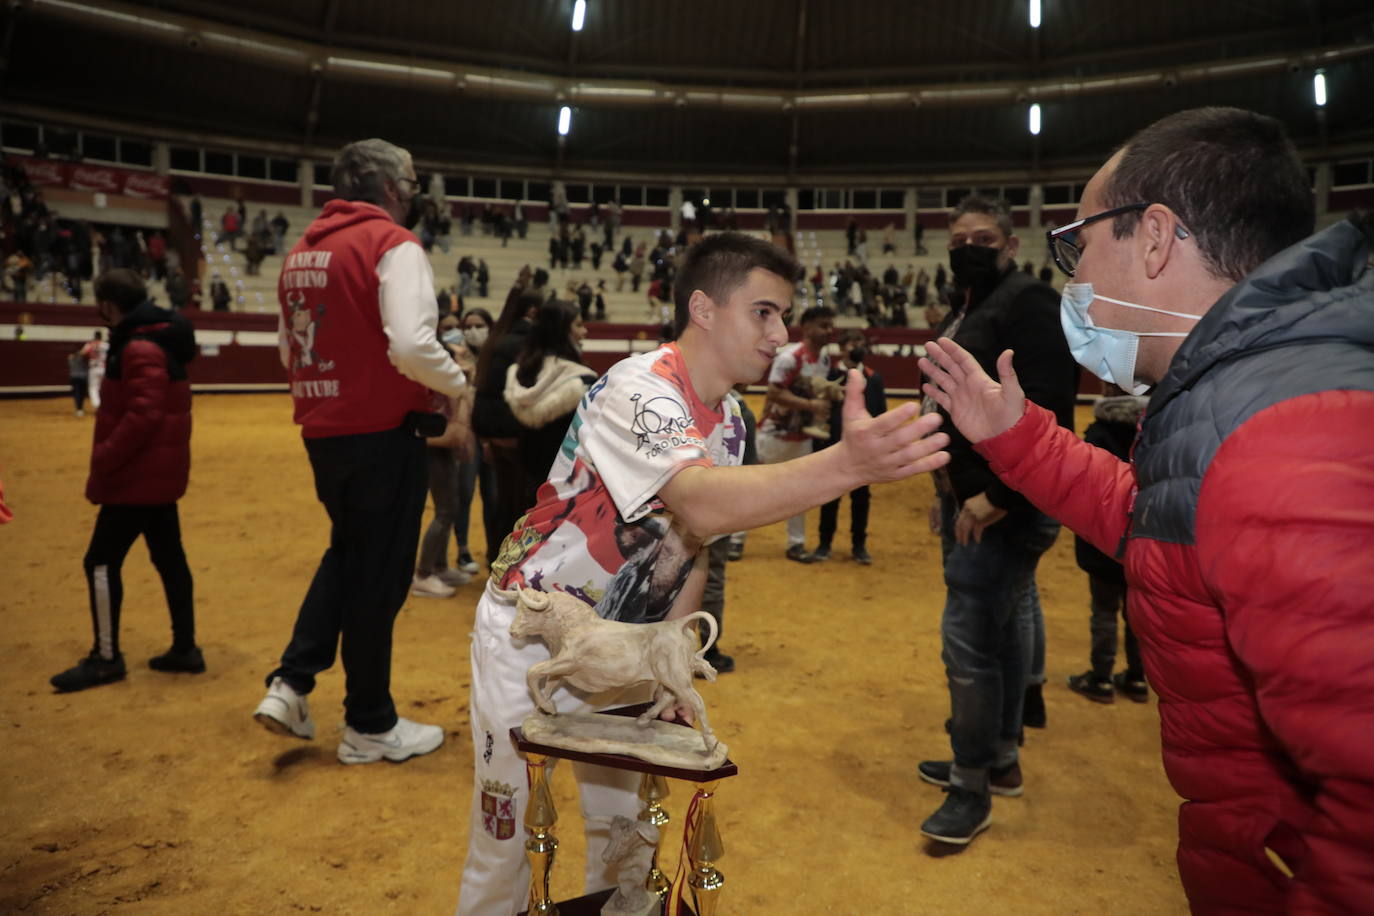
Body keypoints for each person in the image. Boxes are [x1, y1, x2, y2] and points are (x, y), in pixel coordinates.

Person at [919, 107, 1373, 912]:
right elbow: (1154, 521)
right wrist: (1015, 437)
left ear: (1157, 239)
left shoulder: (1281, 435)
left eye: (1083, 242)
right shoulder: (1247, 390)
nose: (1075, 273)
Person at [456, 232, 949, 915]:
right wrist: (849, 466)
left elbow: (698, 539)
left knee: (626, 841)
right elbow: (695, 497)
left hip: (624, 654)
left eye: (784, 315)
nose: (780, 332)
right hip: (532, 639)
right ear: (704, 309)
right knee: (504, 844)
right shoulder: (640, 386)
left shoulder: (736, 422)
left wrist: (672, 658)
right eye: (764, 312)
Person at [252, 138, 467, 766]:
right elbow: (409, 341)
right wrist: (454, 384)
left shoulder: (301, 252)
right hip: (382, 432)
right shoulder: (392, 244)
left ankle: (291, 683)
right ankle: (368, 722)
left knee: (349, 553)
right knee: (378, 577)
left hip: (323, 431)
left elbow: (288, 353)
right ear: (394, 188)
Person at [914, 195, 1078, 847]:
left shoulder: (1028, 301)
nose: (967, 246)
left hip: (1004, 504)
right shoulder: (974, 306)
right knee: (1002, 635)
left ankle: (971, 782)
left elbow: (1053, 406)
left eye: (982, 237)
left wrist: (1001, 497)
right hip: (976, 497)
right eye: (957, 237)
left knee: (971, 642)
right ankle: (1001, 760)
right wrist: (949, 487)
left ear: (1010, 245)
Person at [49, 269, 201, 692]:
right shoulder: (150, 339)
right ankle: (185, 648)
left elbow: (145, 415)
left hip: (136, 477)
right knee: (170, 559)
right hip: (155, 475)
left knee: (99, 561)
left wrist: (104, 458)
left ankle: (105, 656)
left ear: (109, 305)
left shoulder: (137, 347)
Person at [1065, 392, 1149, 704]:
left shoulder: (1097, 434)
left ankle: (1100, 678)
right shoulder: (1156, 430)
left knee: (1103, 610)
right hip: (1141, 538)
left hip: (1102, 540)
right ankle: (1138, 677)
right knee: (1136, 611)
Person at [753, 304, 836, 562]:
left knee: (800, 491)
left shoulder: (823, 360)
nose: (829, 331)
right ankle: (735, 538)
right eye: (823, 325)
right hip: (774, 433)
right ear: (807, 327)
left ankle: (796, 544)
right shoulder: (790, 357)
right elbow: (774, 392)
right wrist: (812, 405)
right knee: (753, 487)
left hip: (802, 435)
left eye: (831, 326)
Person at [503, 299, 596, 512]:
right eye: (578, 325)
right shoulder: (582, 381)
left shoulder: (522, 372)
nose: (584, 331)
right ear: (562, 331)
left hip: (525, 473)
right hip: (567, 481)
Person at [412, 313, 478, 598]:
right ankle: (423, 573)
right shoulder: (433, 368)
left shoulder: (433, 365)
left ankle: (438, 566)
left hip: (440, 439)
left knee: (448, 506)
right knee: (445, 509)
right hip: (436, 441)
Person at [813, 329, 885, 564]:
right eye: (854, 342)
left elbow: (879, 414)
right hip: (833, 445)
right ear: (842, 347)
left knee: (861, 498)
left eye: (861, 342)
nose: (858, 346)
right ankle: (824, 544)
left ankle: (859, 545)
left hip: (862, 450)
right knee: (829, 497)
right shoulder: (829, 375)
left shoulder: (874, 378)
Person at [80, 330, 108, 411]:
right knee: (103, 387)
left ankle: (98, 405)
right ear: (101, 337)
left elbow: (82, 353)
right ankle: (105, 405)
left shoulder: (89, 345)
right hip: (104, 368)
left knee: (93, 388)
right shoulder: (106, 345)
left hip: (93, 368)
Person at [66, 345, 88, 417]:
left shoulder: (71, 358)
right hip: (82, 378)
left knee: (77, 394)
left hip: (74, 378)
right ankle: (80, 409)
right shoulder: (83, 358)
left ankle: (79, 409)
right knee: (81, 394)